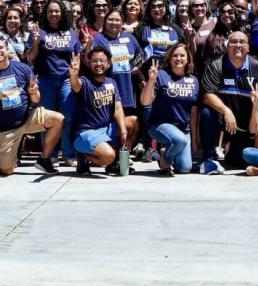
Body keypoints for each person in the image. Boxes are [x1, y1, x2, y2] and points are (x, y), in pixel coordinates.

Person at [0, 33, 61, 177]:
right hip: (6, 129)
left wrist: (33, 93)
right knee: (7, 171)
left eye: (1, 47)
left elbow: (36, 99)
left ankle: (44, 159)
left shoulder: (23, 68)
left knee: (58, 119)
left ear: (8, 49)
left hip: (27, 118)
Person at [196, 30, 258, 173]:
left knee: (241, 160)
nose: (238, 45)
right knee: (207, 113)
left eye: (242, 42)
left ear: (248, 47)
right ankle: (209, 159)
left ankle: (233, 154)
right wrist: (226, 111)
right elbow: (207, 95)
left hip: (246, 125)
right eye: (233, 42)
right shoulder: (215, 65)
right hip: (223, 119)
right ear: (227, 45)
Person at [29, 0, 82, 161]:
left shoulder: (71, 32)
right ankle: (49, 154)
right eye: (50, 11)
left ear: (62, 13)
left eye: (57, 11)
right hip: (45, 80)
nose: (54, 14)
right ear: (45, 13)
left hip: (66, 80)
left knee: (68, 116)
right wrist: (36, 43)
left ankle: (68, 153)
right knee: (46, 119)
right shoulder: (39, 31)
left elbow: (77, 55)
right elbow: (30, 57)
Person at [90, 10, 145, 158]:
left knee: (129, 122)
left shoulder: (129, 37)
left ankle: (124, 154)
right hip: (106, 89)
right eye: (110, 20)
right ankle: (108, 153)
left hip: (127, 88)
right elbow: (92, 57)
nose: (114, 23)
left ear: (122, 22)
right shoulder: (99, 38)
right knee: (109, 123)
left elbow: (141, 54)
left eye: (117, 20)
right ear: (105, 22)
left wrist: (137, 66)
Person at [141, 42, 201, 174]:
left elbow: (194, 111)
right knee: (179, 140)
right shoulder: (161, 75)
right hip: (160, 125)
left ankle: (169, 152)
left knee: (185, 168)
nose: (178, 59)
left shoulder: (194, 80)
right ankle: (166, 159)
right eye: (175, 56)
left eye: (182, 56)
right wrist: (151, 80)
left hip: (183, 128)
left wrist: (194, 138)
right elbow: (145, 102)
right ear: (169, 58)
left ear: (188, 59)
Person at [66, 44, 126, 172]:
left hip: (105, 129)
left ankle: (115, 164)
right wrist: (73, 74)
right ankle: (83, 154)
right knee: (108, 156)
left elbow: (118, 108)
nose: (98, 64)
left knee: (132, 123)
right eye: (94, 61)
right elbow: (76, 86)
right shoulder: (84, 81)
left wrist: (123, 131)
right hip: (86, 133)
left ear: (109, 64)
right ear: (89, 64)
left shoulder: (111, 82)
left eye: (101, 61)